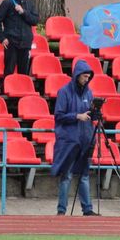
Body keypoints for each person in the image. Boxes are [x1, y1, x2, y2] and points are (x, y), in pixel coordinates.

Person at [50, 59, 99, 216]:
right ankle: (61, 210)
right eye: (84, 76)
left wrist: (95, 112)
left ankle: (88, 209)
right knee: (67, 175)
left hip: (85, 139)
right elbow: (59, 115)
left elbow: (90, 115)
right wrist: (77, 116)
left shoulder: (89, 92)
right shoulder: (64, 92)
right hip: (69, 140)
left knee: (84, 175)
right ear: (77, 75)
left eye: (88, 77)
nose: (86, 79)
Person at [0, 0, 39, 77]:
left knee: (24, 73)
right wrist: (2, 38)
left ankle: (22, 92)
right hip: (11, 42)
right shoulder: (7, 3)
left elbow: (35, 21)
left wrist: (23, 12)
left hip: (25, 43)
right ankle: (6, 90)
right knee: (9, 71)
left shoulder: (30, 4)